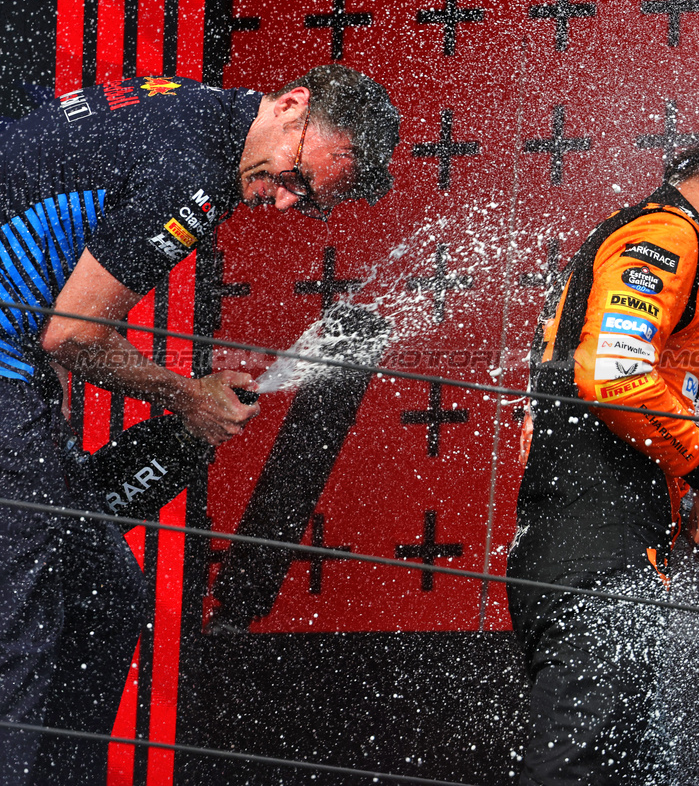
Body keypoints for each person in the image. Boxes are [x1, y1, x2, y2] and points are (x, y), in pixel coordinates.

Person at [0, 64, 400, 783]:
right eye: (294, 180)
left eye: (304, 202)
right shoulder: (191, 173)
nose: (280, 203)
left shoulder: (187, 101)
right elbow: (75, 334)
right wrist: (190, 398)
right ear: (291, 106)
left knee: (103, 591)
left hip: (15, 367)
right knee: (31, 622)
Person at [506, 143, 699, 784]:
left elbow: (613, 398)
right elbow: (612, 376)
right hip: (597, 573)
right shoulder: (666, 232)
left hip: (597, 562)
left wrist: (695, 497)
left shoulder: (662, 243)